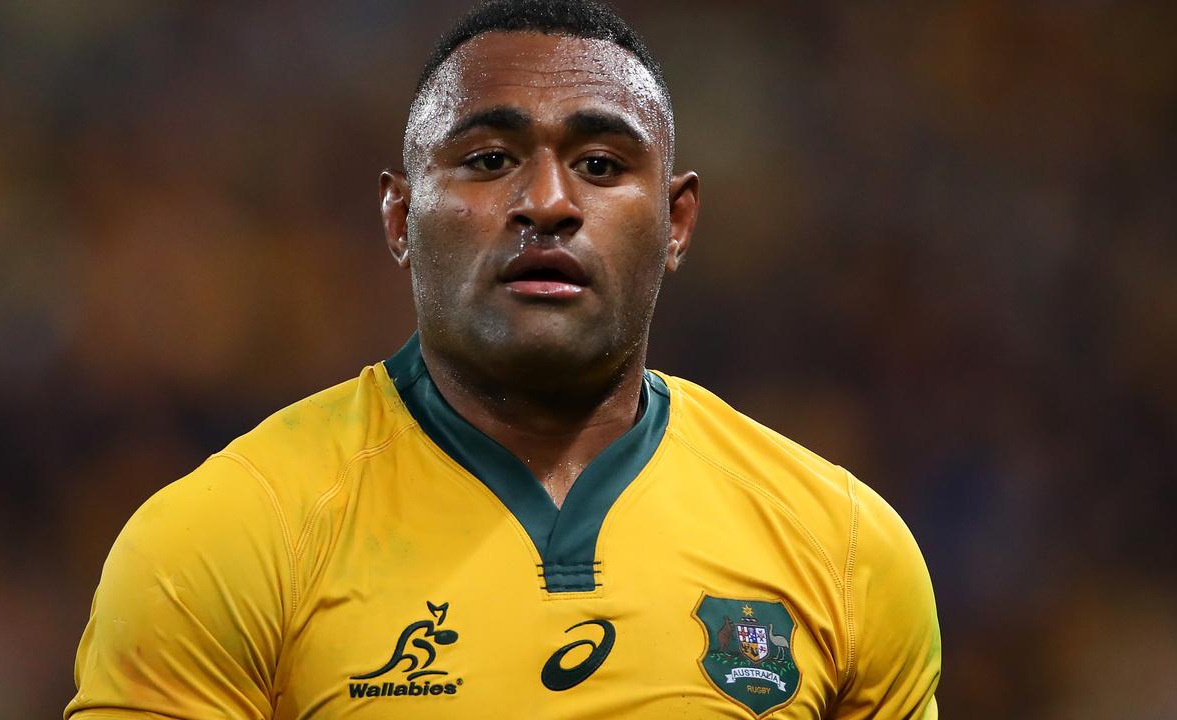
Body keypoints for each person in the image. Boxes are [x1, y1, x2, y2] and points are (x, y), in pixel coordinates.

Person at [65, 1, 941, 718]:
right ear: (399, 218)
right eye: (489, 160)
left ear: (675, 224)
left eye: (600, 164)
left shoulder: (845, 551)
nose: (549, 202)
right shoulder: (223, 541)